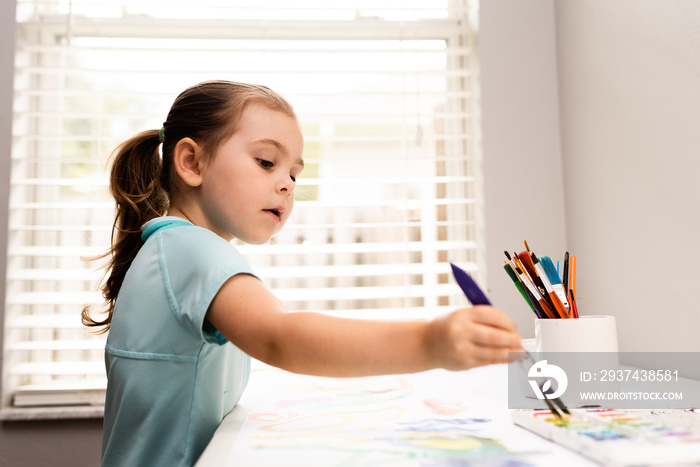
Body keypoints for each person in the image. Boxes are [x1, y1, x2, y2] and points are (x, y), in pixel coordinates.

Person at [82, 80, 522, 467]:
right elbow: (280, 335)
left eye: (294, 173)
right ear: (192, 163)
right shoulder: (193, 250)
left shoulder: (168, 246)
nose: (288, 184)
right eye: (266, 162)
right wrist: (430, 344)